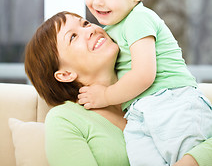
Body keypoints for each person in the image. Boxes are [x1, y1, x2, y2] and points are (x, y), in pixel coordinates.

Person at [78, 0, 212, 165]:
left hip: (172, 101)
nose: (97, 1)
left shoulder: (138, 18)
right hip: (139, 114)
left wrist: (105, 96)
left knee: (187, 156)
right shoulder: (110, 29)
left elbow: (143, 75)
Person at [24, 11, 212, 166]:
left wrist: (191, 162)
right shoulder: (64, 119)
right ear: (65, 74)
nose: (90, 31)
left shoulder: (153, 89)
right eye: (73, 37)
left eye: (85, 24)